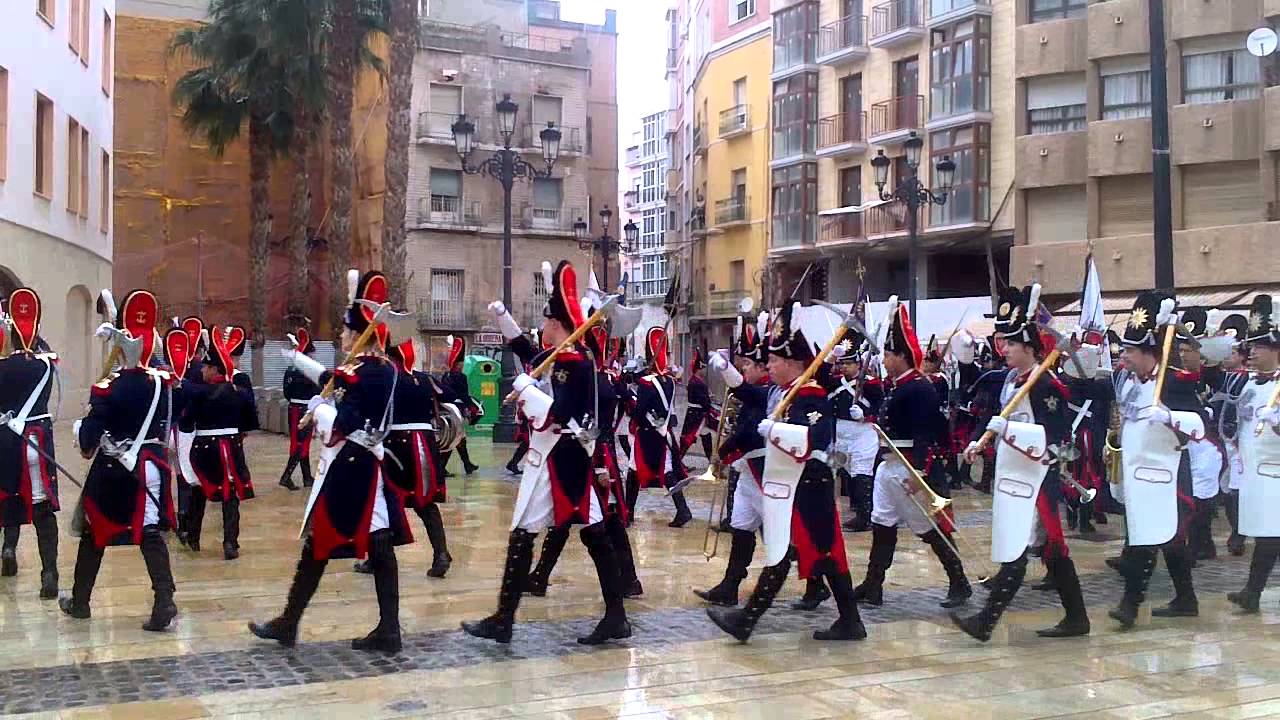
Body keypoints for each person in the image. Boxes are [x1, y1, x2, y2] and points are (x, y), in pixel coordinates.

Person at [462, 260, 631, 646]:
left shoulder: (575, 364)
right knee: (592, 534)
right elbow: (525, 349)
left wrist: (527, 392)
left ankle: (505, 620)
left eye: (548, 324)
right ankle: (613, 615)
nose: (544, 330)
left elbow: (562, 414)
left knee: (529, 532)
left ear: (559, 325)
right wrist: (504, 319)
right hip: (553, 458)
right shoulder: (558, 358)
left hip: (562, 460)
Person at [249, 270, 414, 653]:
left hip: (355, 469)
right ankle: (294, 621)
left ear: (360, 336)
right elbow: (335, 378)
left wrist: (322, 411)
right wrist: (302, 365)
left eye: (345, 332)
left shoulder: (372, 373)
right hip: (355, 467)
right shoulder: (368, 371)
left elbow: (346, 423)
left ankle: (378, 629)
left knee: (346, 544)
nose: (341, 338)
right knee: (354, 546)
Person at [706, 302, 865, 642]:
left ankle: (747, 621)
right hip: (793, 485)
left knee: (808, 551)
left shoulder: (812, 397)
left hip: (810, 485)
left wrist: (774, 432)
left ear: (794, 363)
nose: (770, 366)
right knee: (814, 553)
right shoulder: (786, 392)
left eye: (775, 361)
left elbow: (817, 438)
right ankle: (849, 621)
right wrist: (727, 372)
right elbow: (748, 393)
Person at [953, 285, 1089, 641]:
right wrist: (980, 442)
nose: (1004, 349)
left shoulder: (1045, 385)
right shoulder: (1013, 381)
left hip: (1037, 477)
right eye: (1003, 342)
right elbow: (998, 421)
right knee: (1048, 550)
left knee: (1020, 547)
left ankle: (986, 621)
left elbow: (1055, 436)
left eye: (1011, 343)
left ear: (1029, 347)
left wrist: (1010, 428)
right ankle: (1077, 617)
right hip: (1013, 474)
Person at [61, 289, 178, 632]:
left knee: (94, 531)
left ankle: (81, 602)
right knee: (150, 533)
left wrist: (83, 426)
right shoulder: (165, 383)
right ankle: (164, 600)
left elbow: (87, 443)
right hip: (151, 467)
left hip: (115, 470)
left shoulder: (107, 389)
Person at [852, 298, 972, 610]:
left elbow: (925, 433)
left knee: (930, 529)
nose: (884, 358)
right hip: (889, 464)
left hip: (910, 467)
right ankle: (873, 584)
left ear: (902, 356)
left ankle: (959, 581)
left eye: (889, 354)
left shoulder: (919, 387)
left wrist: (919, 473)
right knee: (882, 523)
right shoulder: (897, 386)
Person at [1109, 290, 1203, 629]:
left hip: (1169, 473)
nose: (1125, 357)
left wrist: (1169, 417)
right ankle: (1187, 599)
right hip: (1138, 473)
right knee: (1170, 540)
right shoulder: (1131, 383)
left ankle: (1129, 605)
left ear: (1150, 352)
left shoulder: (1174, 382)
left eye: (1131, 351)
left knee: (1144, 541)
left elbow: (1199, 427)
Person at [353, 337, 452, 578]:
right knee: (425, 502)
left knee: (383, 502)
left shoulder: (387, 378)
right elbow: (450, 395)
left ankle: (377, 559)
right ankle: (441, 554)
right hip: (424, 444)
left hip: (396, 444)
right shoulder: (425, 378)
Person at [694, 311, 771, 607]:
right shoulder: (756, 392)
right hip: (749, 472)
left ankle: (817, 582)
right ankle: (729, 586)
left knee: (783, 538)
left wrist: (725, 450)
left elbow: (751, 432)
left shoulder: (767, 392)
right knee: (741, 528)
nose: (745, 368)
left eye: (749, 364)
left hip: (764, 470)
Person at [0, 288, 61, 600]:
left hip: (6, 443)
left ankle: (8, 547)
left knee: (8, 498)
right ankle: (49, 572)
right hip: (36, 441)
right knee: (42, 509)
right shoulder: (46, 366)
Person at [178, 326, 257, 560]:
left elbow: (185, 424)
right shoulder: (239, 392)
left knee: (200, 489)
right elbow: (251, 420)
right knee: (230, 495)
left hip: (205, 448)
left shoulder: (199, 394)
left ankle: (193, 537)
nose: (202, 369)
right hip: (231, 447)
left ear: (215, 369)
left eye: (206, 366)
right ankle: (230, 542)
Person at [1227, 295, 1280, 612]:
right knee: (1266, 533)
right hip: (1254, 473)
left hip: (1276, 473)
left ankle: (1252, 591)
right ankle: (1252, 591)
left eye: (1260, 347)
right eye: (1251, 347)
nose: (1253, 353)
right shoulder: (1248, 385)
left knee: (1270, 534)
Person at [627, 327, 692, 528]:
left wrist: (634, 419)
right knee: (660, 470)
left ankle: (628, 513)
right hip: (663, 433)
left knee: (637, 471)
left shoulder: (648, 383)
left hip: (647, 435)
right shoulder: (669, 381)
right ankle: (681, 510)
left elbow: (640, 410)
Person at [1177, 309, 1224, 563]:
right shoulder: (1176, 377)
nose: (1183, 355)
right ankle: (1197, 543)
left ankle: (1201, 543)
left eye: (1188, 350)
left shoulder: (1213, 376)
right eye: (1181, 350)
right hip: (1186, 443)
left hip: (1208, 444)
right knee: (1190, 495)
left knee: (1202, 495)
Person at [827, 350, 882, 533]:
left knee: (861, 471)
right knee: (849, 471)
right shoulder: (835, 382)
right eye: (842, 363)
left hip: (862, 432)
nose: (844, 367)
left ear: (858, 364)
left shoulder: (870, 383)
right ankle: (860, 510)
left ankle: (865, 516)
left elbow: (881, 407)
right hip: (842, 432)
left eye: (848, 364)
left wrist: (865, 414)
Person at [1215, 313, 1252, 557]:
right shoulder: (1224, 377)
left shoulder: (1247, 378)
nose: (1226, 357)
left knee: (1237, 488)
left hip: (1239, 440)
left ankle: (1239, 532)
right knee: (1227, 488)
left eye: (1231, 353)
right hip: (1223, 439)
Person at [279, 326, 321, 491]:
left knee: (302, 443)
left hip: (293, 407)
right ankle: (286, 476)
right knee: (301, 444)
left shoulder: (290, 370)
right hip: (305, 408)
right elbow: (318, 391)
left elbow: (286, 392)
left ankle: (306, 476)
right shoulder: (309, 372)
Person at [439, 336, 480, 476]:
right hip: (457, 411)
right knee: (455, 437)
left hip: (447, 409)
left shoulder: (446, 376)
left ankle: (467, 464)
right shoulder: (460, 377)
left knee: (459, 438)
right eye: (462, 363)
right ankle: (441, 467)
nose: (463, 365)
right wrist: (472, 407)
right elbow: (464, 395)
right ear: (458, 364)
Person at [679, 349, 716, 463]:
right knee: (687, 439)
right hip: (696, 415)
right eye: (702, 368)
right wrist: (709, 400)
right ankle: (677, 462)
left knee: (706, 436)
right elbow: (702, 400)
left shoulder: (696, 381)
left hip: (699, 415)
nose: (704, 370)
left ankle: (711, 462)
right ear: (699, 368)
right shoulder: (696, 382)